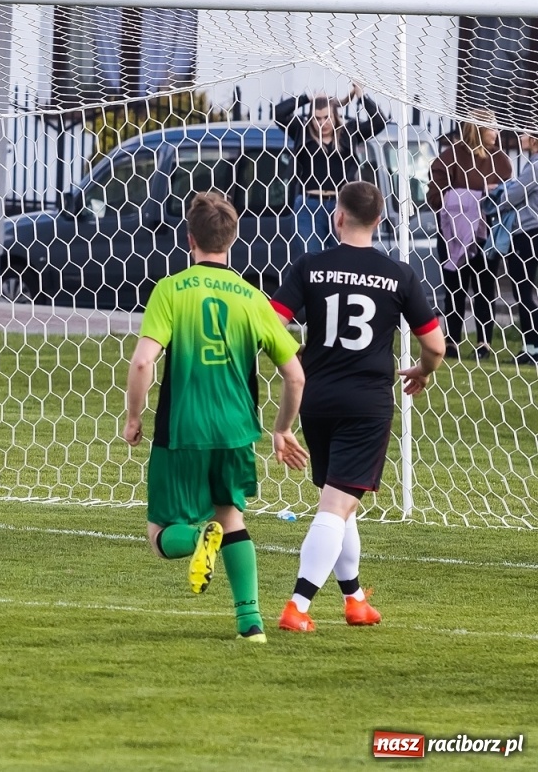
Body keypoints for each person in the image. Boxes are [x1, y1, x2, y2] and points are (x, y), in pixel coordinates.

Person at [122, 191, 305, 643]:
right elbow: (295, 375)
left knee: (160, 533)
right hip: (236, 430)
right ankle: (251, 623)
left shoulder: (170, 289)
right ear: (233, 237)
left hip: (182, 428)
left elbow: (144, 362)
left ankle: (199, 536)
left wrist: (133, 417)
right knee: (233, 517)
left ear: (190, 238)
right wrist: (282, 429)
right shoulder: (252, 297)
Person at [267, 181, 445, 632]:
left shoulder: (310, 265)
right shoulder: (399, 274)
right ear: (380, 221)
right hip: (366, 403)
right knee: (335, 504)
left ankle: (355, 598)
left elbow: (272, 325)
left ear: (338, 217)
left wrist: (297, 360)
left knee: (341, 499)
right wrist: (424, 369)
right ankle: (298, 606)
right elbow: (436, 346)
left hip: (317, 397)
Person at [427, 109, 512, 359]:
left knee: (485, 290)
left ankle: (484, 343)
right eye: (492, 128)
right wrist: (471, 197)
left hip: (487, 236)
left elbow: (509, 196)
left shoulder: (501, 160)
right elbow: (435, 198)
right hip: (453, 236)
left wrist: (490, 196)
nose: (497, 133)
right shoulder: (449, 157)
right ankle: (451, 341)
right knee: (455, 289)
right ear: (477, 129)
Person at [274, 83, 387, 255]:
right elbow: (279, 113)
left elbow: (379, 121)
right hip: (308, 205)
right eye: (317, 118)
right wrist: (307, 98)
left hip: (341, 206)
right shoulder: (301, 131)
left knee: (342, 257)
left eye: (326, 117)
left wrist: (361, 96)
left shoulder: (349, 133)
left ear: (335, 117)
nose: (322, 123)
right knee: (310, 258)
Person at [502, 132, 538, 366]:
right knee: (524, 290)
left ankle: (532, 347)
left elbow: (513, 195)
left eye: (525, 132)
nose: (521, 136)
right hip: (529, 232)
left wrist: (493, 196)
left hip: (528, 233)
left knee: (523, 291)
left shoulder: (535, 166)